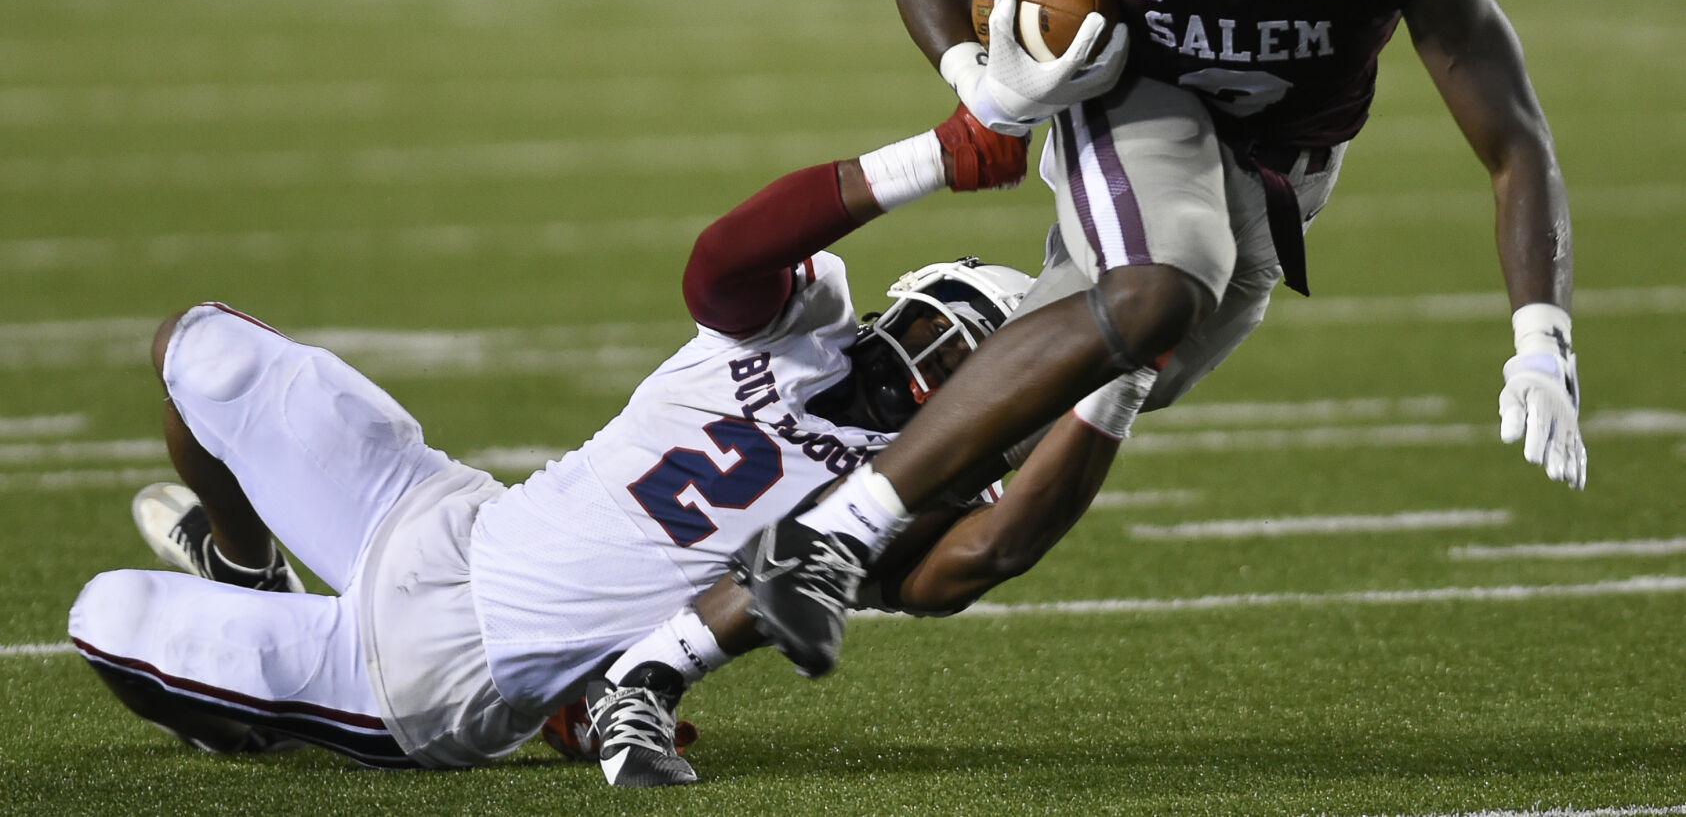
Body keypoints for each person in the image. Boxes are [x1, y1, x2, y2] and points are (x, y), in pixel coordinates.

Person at [733, 0, 1584, 681]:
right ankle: (830, 532)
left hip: (1285, 165)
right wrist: (982, 84)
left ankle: (701, 613)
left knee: (1087, 412)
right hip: (1138, 89)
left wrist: (1542, 336)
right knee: (1159, 288)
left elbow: (1512, 131)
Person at [67, 106, 1118, 787]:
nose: (941, 360)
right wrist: (932, 154)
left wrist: (1120, 376)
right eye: (948, 325)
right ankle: (247, 562)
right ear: (912, 301)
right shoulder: (809, 324)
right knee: (199, 350)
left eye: (980, 361)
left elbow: (983, 558)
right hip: (441, 510)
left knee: (106, 614)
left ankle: (257, 714)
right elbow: (720, 264)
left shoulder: (898, 503)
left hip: (434, 674)